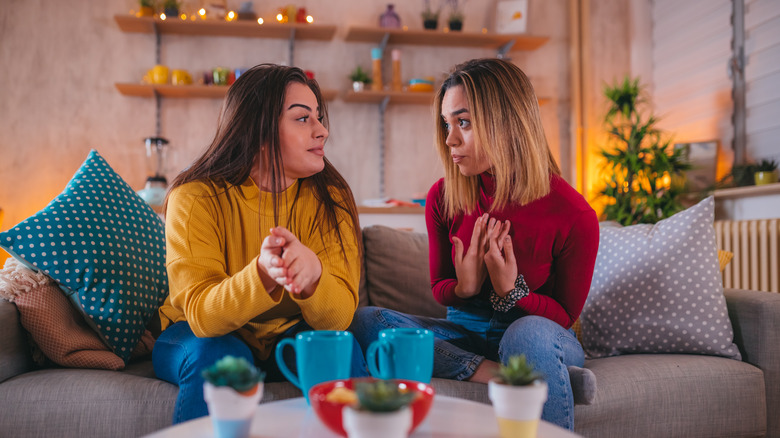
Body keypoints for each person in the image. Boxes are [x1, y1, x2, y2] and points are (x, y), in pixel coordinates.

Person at [350, 58, 599, 430]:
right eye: (447, 123)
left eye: (463, 123)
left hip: (538, 333)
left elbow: (565, 315)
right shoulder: (442, 197)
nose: (450, 139)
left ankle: (539, 371)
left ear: (507, 121)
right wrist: (465, 287)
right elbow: (440, 288)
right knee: (368, 321)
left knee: (526, 334)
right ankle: (503, 374)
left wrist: (513, 292)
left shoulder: (574, 214)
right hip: (464, 335)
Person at [153, 64, 367, 424]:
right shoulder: (194, 198)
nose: (322, 130)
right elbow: (203, 316)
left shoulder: (333, 199)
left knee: (340, 351)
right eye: (303, 119)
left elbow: (341, 317)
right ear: (258, 130)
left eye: (318, 117)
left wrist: (314, 278)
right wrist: (263, 275)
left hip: (289, 334)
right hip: (198, 335)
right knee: (219, 357)